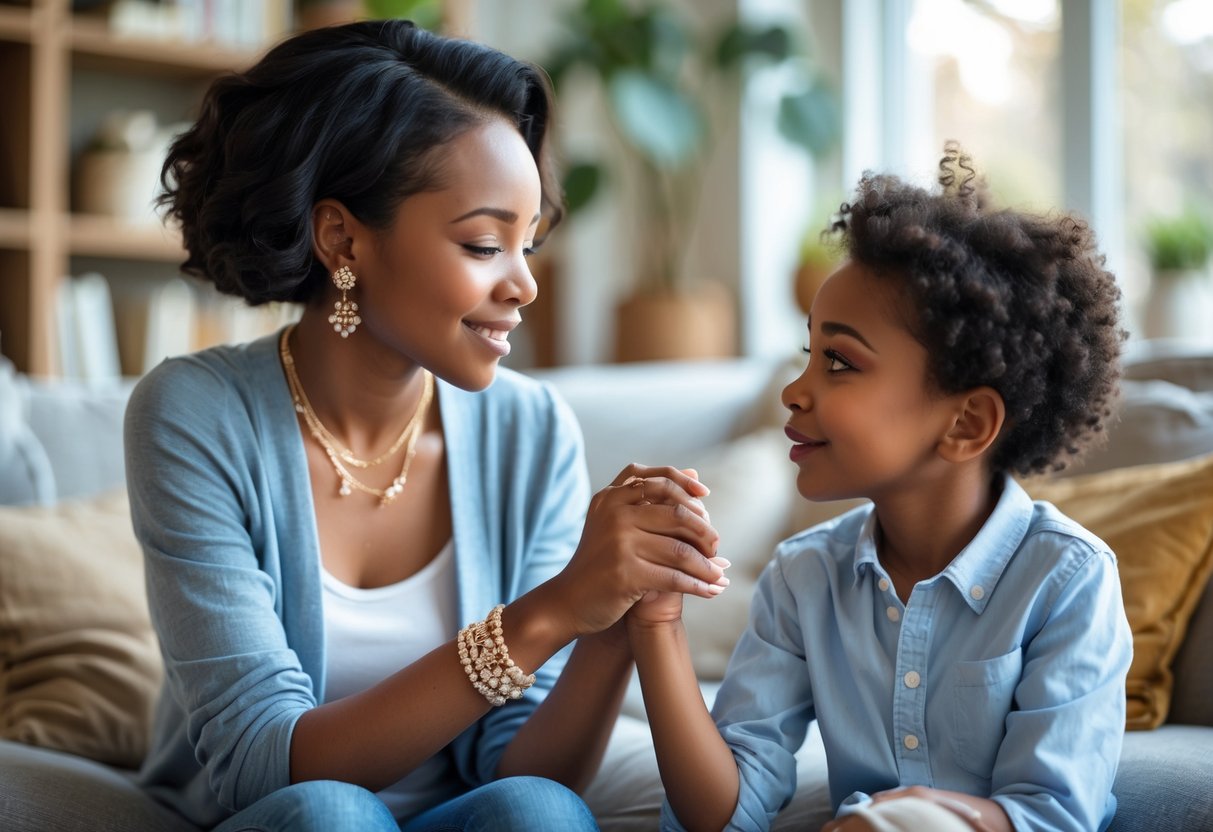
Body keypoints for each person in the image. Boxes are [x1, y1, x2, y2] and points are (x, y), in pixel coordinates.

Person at [124, 19, 728, 832]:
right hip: (276, 821)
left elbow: (522, 765)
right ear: (342, 238)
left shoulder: (531, 430)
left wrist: (611, 616)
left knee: (539, 812)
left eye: (529, 244)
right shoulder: (196, 415)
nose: (524, 286)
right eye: (483, 244)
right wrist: (548, 612)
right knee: (333, 818)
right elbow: (260, 762)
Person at [628, 144, 1133, 832]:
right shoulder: (802, 579)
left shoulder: (1067, 582)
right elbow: (722, 815)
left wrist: (900, 822)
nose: (793, 389)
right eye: (808, 352)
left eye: (837, 362)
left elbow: (1050, 815)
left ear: (966, 422)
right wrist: (656, 623)